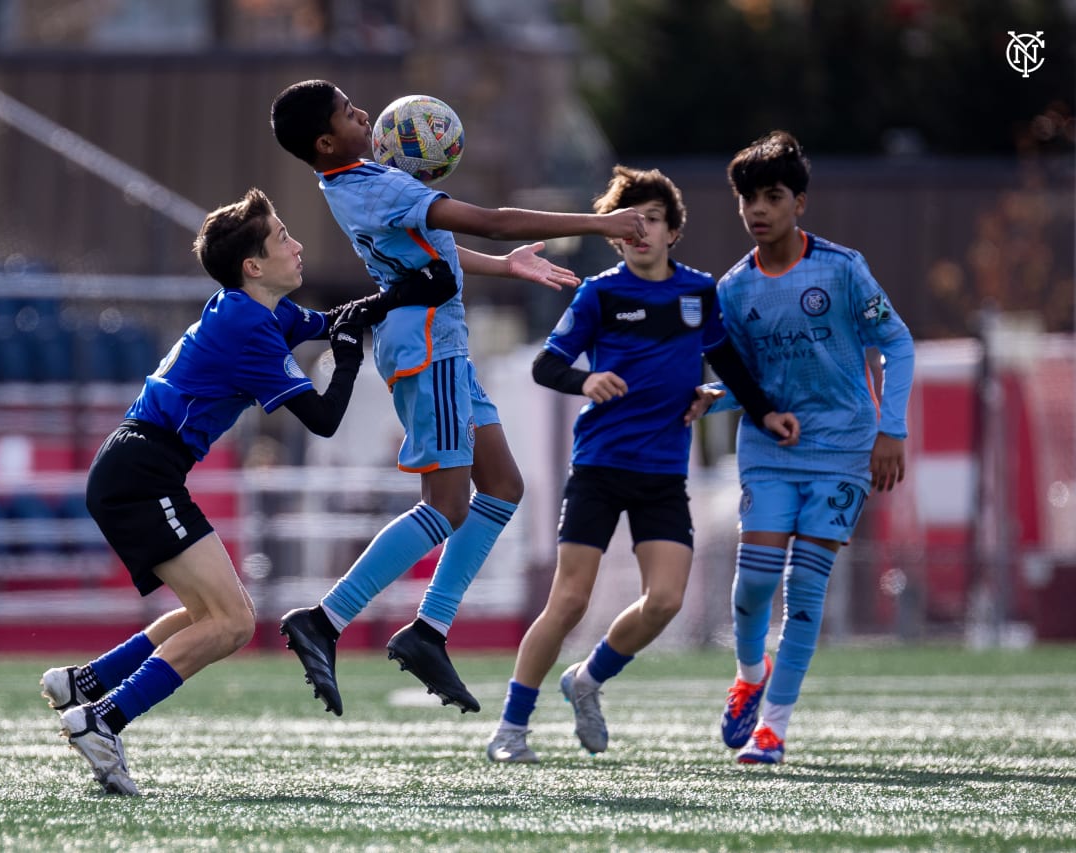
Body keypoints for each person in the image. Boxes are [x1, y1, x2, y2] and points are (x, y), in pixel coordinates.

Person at [39, 187, 455, 795]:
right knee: (234, 623)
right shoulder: (250, 329)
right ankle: (104, 717)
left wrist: (411, 292)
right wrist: (346, 361)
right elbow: (322, 419)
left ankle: (88, 683)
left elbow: (339, 319)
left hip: (135, 466)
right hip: (142, 471)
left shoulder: (256, 310)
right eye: (284, 236)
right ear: (254, 266)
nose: (299, 243)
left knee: (210, 612)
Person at [269, 79, 648, 717]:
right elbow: (495, 221)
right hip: (428, 350)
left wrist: (508, 267)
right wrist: (598, 221)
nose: (365, 112)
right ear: (327, 139)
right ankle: (325, 620)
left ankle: (427, 631)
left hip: (441, 345)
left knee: (502, 485)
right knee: (445, 506)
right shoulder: (380, 184)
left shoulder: (357, 180)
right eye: (349, 112)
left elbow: (426, 249)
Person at [485, 165, 799, 763]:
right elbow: (546, 368)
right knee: (570, 601)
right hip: (600, 467)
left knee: (666, 601)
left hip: (662, 474)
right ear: (614, 235)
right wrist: (588, 378)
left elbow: (727, 362)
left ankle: (587, 680)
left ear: (673, 230)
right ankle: (511, 727)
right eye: (630, 223)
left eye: (652, 220)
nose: (641, 231)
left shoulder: (698, 292)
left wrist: (765, 413)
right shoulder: (599, 293)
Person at [698, 131, 914, 765]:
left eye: (772, 196)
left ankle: (775, 727)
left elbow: (897, 344)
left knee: (805, 590)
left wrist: (891, 429)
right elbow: (747, 381)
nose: (758, 209)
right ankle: (748, 670)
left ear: (800, 203)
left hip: (844, 447)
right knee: (753, 583)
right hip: (770, 449)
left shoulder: (843, 270)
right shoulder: (733, 290)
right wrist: (715, 395)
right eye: (748, 199)